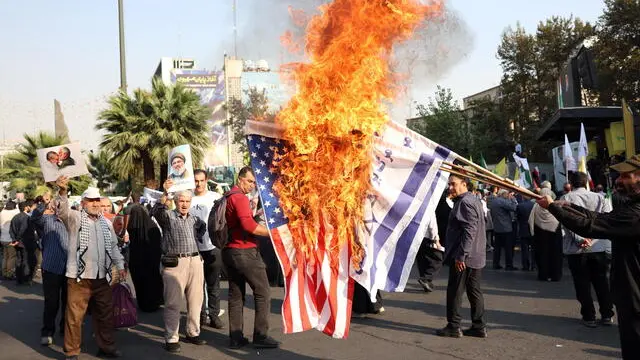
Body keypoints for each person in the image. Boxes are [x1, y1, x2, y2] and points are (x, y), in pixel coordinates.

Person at [536, 155, 640, 360]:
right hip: (628, 291)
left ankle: (593, 314)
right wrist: (565, 206)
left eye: (626, 176)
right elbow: (599, 217)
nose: (618, 181)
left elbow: (591, 225)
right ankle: (603, 313)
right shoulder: (631, 208)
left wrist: (554, 208)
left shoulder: (636, 213)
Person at [55, 178, 126, 360]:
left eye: (97, 200)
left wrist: (120, 265)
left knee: (105, 315)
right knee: (74, 317)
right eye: (91, 201)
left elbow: (113, 247)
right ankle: (72, 351)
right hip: (79, 277)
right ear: (83, 203)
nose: (95, 204)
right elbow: (62, 211)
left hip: (103, 277)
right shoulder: (75, 218)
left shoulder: (106, 223)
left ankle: (106, 347)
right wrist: (63, 192)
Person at [221, 166, 279, 349]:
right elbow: (248, 226)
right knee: (263, 291)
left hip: (229, 251)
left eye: (254, 182)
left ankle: (236, 337)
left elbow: (240, 222)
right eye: (250, 181)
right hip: (244, 251)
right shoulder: (240, 198)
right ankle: (261, 336)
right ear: (240, 179)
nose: (253, 185)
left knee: (236, 295)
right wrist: (272, 234)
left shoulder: (228, 196)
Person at [152, 180, 206, 353]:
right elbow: (156, 211)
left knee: (196, 301)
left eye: (187, 201)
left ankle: (193, 332)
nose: (184, 204)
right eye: (181, 201)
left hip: (195, 261)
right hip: (175, 263)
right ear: (176, 201)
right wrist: (165, 192)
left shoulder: (195, 219)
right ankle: (172, 338)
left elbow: (202, 231)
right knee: (173, 303)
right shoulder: (168, 217)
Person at [559, 171, 614, 328]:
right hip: (598, 246)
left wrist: (581, 239)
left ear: (571, 183)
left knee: (582, 283)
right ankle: (607, 314)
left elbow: (566, 222)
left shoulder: (566, 198)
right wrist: (592, 238)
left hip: (577, 250)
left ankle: (589, 315)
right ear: (586, 182)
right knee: (602, 282)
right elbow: (607, 220)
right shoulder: (600, 197)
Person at [436, 174, 487, 338]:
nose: (450, 188)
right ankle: (478, 326)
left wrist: (461, 256)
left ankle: (453, 326)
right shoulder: (473, 199)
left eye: (453, 184)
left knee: (455, 291)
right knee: (474, 291)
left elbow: (469, 231)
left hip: (465, 256)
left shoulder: (465, 202)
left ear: (464, 184)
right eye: (449, 185)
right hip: (475, 255)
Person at [189, 169, 225, 329]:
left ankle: (214, 315)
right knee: (197, 286)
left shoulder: (215, 198)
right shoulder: (187, 198)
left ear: (206, 180)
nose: (199, 184)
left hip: (213, 247)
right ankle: (201, 316)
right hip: (194, 248)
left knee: (213, 284)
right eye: (196, 181)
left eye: (201, 180)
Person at [31, 196, 69, 346]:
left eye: (61, 205)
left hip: (70, 269)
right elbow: (34, 218)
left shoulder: (72, 221)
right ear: (52, 207)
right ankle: (47, 331)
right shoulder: (47, 220)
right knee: (51, 303)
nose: (59, 207)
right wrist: (44, 203)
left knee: (68, 302)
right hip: (51, 268)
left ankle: (65, 329)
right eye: (56, 205)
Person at [126, 203, 163, 312]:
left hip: (136, 261)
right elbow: (158, 246)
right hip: (152, 262)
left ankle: (143, 303)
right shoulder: (153, 227)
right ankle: (155, 301)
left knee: (140, 282)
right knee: (152, 280)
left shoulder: (132, 227)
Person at [529, 188, 563, 282]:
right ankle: (555, 275)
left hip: (540, 236)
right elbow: (561, 218)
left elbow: (531, 220)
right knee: (555, 255)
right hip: (555, 235)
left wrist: (533, 233)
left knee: (542, 255)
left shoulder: (536, 206)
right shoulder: (555, 206)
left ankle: (543, 275)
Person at [10, 199, 38, 285]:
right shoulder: (27, 218)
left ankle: (19, 278)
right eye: (33, 207)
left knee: (19, 260)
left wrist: (14, 240)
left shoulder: (15, 217)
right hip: (25, 242)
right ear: (27, 207)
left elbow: (11, 230)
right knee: (26, 260)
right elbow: (22, 230)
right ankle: (26, 278)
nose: (34, 209)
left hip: (18, 243)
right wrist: (18, 239)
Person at [488, 190, 518, 270]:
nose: (508, 195)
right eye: (507, 194)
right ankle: (509, 265)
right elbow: (514, 208)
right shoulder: (502, 201)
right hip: (506, 228)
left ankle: (496, 263)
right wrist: (513, 199)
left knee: (497, 248)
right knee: (508, 248)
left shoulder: (494, 202)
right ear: (503, 194)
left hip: (497, 227)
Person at [416, 214, 443, 293]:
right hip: (427, 238)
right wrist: (436, 239)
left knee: (422, 259)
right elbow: (432, 225)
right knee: (438, 258)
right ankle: (425, 279)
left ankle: (425, 281)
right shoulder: (430, 206)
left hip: (417, 237)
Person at [1, 200, 20, 279]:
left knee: (5, 256)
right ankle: (9, 273)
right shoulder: (14, 213)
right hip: (10, 239)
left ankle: (4, 272)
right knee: (11, 257)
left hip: (2, 238)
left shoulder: (2, 213)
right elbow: (18, 210)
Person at [516, 196, 535, 271]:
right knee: (534, 249)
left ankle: (525, 265)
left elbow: (518, 217)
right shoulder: (534, 205)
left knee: (524, 250)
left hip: (523, 229)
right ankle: (534, 265)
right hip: (533, 229)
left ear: (523, 198)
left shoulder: (520, 206)